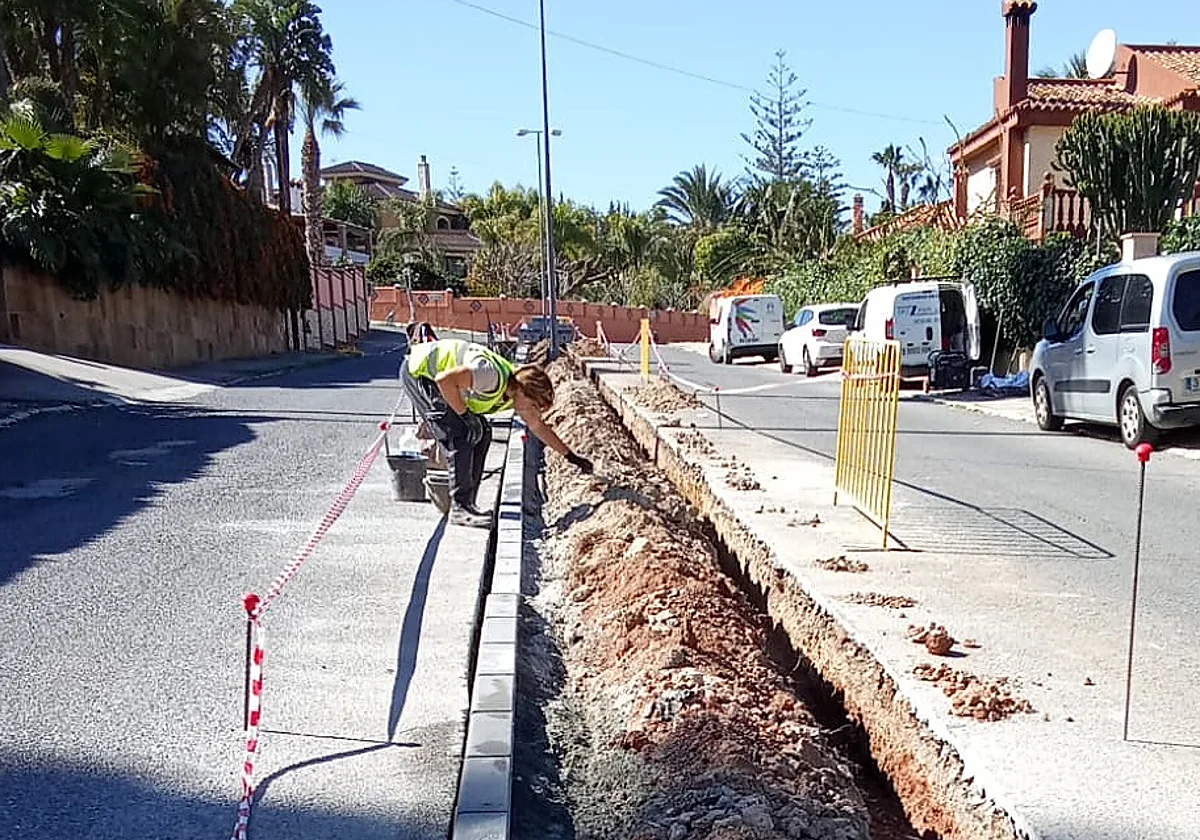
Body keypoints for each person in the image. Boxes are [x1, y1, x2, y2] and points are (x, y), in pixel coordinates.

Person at [401, 338, 593, 528]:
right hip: (420, 373)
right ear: (522, 392)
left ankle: (468, 504)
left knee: (482, 433)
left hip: (441, 381)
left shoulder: (514, 391)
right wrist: (465, 415)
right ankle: (460, 508)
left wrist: (572, 457)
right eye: (533, 405)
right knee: (460, 434)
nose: (533, 412)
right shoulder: (489, 376)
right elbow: (444, 379)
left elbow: (538, 427)